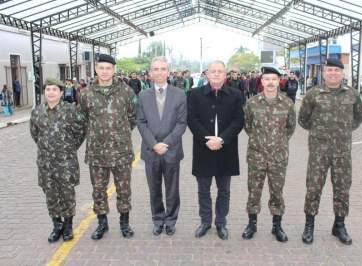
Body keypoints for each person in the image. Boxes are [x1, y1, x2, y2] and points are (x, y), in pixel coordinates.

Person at [298, 58, 362, 245]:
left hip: (342, 151)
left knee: (342, 188)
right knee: (313, 187)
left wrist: (344, 131)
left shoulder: (352, 94)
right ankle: (309, 225)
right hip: (318, 151)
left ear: (342, 74)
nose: (333, 73)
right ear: (324, 73)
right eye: (330, 70)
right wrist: (320, 133)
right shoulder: (313, 94)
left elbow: (360, 115)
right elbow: (303, 119)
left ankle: (339, 225)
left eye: (337, 70)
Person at [79, 54, 136, 240]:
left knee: (124, 189)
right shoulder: (86, 93)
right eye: (101, 68)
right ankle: (102, 223)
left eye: (108, 68)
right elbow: (83, 119)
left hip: (121, 151)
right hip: (97, 153)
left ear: (114, 70)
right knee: (98, 189)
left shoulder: (126, 91)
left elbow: (133, 117)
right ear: (96, 69)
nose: (105, 71)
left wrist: (119, 134)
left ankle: (124, 223)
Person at [187, 60, 244, 240]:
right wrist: (208, 139)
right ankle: (205, 221)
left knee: (224, 189)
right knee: (203, 189)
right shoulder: (194, 94)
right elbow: (192, 119)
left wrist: (222, 139)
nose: (217, 74)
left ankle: (221, 222)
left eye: (220, 71)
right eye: (213, 71)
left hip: (226, 149)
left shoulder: (235, 94)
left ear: (225, 74)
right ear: (207, 74)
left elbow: (238, 120)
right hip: (203, 148)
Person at [242, 67, 296, 242]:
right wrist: (261, 142)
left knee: (277, 192)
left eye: (274, 79)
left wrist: (277, 144)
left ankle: (277, 226)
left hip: (278, 157)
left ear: (279, 81)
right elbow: (248, 127)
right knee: (253, 192)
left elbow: (290, 128)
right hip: (256, 156)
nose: (270, 82)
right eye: (267, 79)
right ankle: (252, 224)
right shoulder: (252, 103)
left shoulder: (287, 103)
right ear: (262, 81)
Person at [30, 78, 85, 243]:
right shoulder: (37, 111)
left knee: (67, 194)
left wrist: (68, 147)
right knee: (51, 195)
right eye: (48, 89)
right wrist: (47, 147)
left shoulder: (70, 110)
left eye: (55, 89)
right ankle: (56, 225)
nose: (51, 92)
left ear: (61, 93)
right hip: (46, 163)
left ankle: (68, 226)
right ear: (44, 92)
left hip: (65, 162)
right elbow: (35, 134)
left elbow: (81, 131)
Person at [137, 56, 187, 236]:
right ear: (150, 73)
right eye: (155, 69)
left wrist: (165, 143)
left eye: (163, 69)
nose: (159, 72)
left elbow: (182, 123)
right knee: (154, 189)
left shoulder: (179, 94)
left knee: (172, 189)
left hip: (171, 150)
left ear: (168, 71)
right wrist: (154, 144)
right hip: (151, 151)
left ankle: (171, 220)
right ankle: (158, 219)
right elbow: (141, 123)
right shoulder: (143, 96)